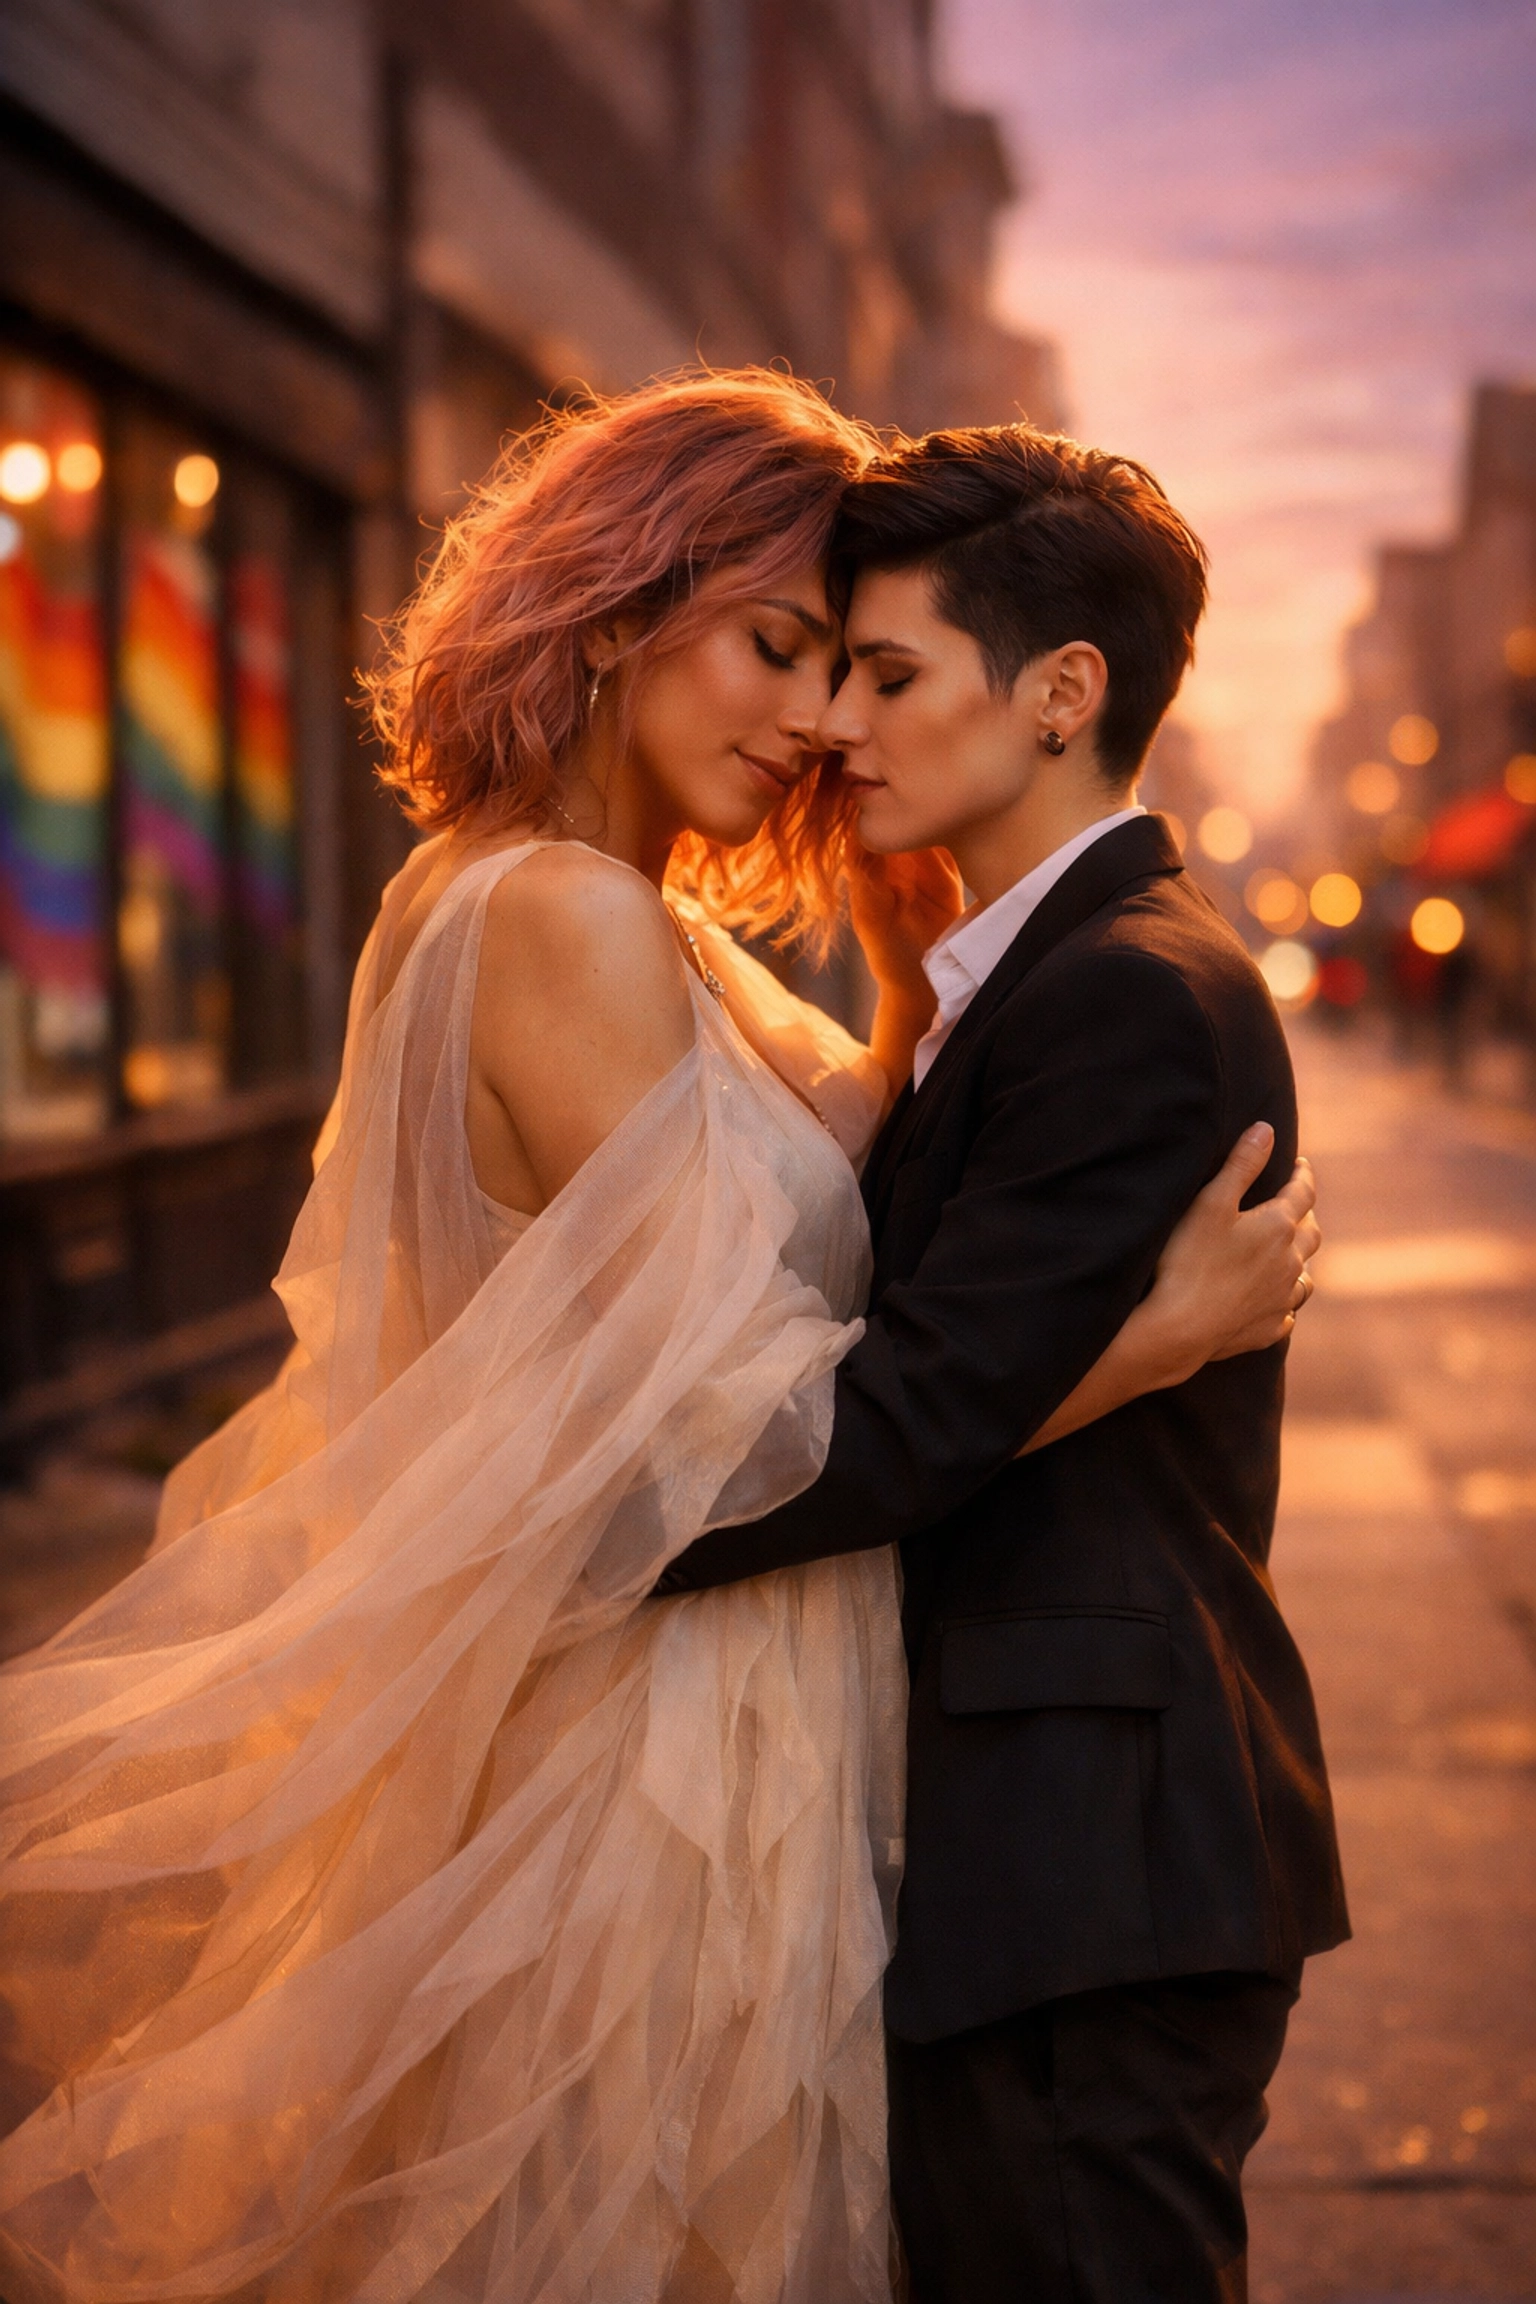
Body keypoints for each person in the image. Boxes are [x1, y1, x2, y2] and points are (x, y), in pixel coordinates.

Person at [0, 375, 1315, 2304]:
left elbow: (807, 1205)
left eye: (854, 668)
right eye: (781, 650)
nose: (816, 722)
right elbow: (696, 1448)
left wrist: (906, 974)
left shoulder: (614, 918)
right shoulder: (564, 919)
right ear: (615, 611)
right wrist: (1135, 1342)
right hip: (652, 1749)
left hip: (700, 1711)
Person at [657, 424, 1350, 2302]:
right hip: (1048, 1859)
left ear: (1062, 694)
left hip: (1083, 1874)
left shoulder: (1125, 992)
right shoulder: (1038, 971)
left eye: (889, 676)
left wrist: (588, 1521)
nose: (836, 725)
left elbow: (908, 1421)